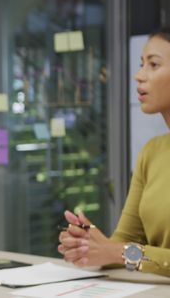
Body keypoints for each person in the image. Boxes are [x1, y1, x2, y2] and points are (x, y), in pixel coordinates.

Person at [58, 28, 170, 277]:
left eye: (153, 65)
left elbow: (123, 251)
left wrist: (117, 252)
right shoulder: (151, 152)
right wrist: (89, 246)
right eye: (142, 64)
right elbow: (124, 242)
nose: (139, 76)